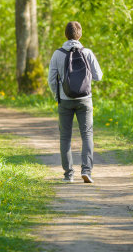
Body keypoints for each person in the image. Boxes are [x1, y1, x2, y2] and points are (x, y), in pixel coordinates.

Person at [47, 21, 102, 183]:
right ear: (80, 35)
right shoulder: (88, 53)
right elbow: (99, 76)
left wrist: (58, 96)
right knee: (87, 135)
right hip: (85, 99)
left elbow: (51, 80)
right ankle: (86, 171)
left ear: (66, 35)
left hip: (65, 100)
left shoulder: (57, 54)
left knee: (65, 137)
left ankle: (68, 174)